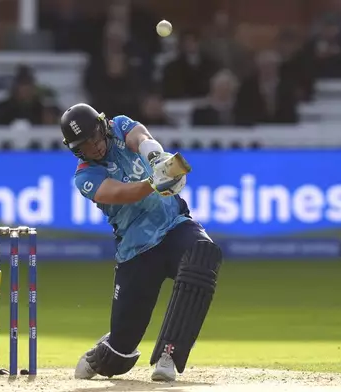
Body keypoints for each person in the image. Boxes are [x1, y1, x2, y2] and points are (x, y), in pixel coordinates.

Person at [61, 103, 223, 382]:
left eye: (95, 138)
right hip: (136, 252)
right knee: (119, 356)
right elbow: (121, 194)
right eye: (85, 145)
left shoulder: (119, 125)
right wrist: (154, 182)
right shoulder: (84, 176)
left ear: (102, 127)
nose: (95, 147)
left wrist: (159, 159)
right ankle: (103, 353)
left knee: (202, 253)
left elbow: (142, 138)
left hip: (173, 226)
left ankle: (169, 354)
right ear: (76, 150)